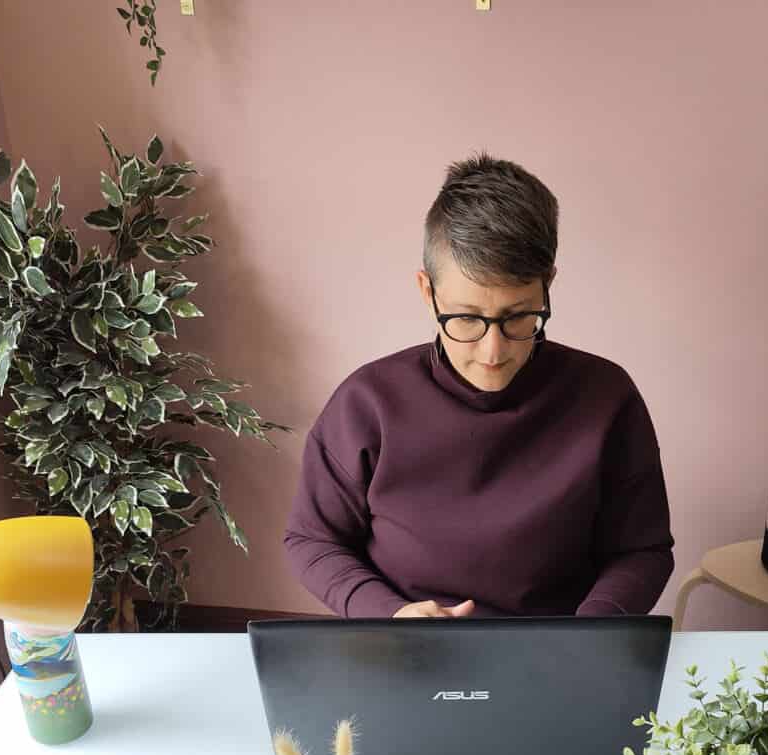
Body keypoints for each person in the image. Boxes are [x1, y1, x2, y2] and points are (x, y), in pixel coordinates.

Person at [284, 153, 673, 618]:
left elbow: (641, 549)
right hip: (406, 648)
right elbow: (312, 540)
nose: (492, 352)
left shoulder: (608, 398)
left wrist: (591, 633)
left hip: (561, 651)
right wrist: (388, 615)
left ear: (548, 284)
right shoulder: (366, 403)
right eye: (466, 318)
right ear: (427, 292)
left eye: (518, 316)